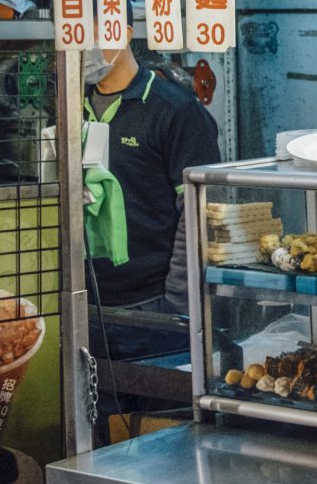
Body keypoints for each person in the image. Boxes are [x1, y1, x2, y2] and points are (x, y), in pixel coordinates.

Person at [83, 46, 222, 362]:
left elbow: (200, 210)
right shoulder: (69, 107)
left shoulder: (175, 110)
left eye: (90, 33)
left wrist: (177, 302)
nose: (80, 44)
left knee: (153, 408)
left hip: (152, 308)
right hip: (85, 306)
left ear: (124, 32)